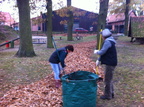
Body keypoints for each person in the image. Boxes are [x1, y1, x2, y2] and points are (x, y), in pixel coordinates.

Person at [94, 28, 117, 100]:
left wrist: (97, 52)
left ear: (104, 36)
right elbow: (104, 53)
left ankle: (108, 96)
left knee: (107, 80)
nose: (101, 37)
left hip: (110, 63)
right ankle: (111, 93)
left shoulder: (108, 42)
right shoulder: (110, 40)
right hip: (110, 62)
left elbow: (102, 52)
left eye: (102, 36)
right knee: (109, 79)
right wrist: (98, 59)